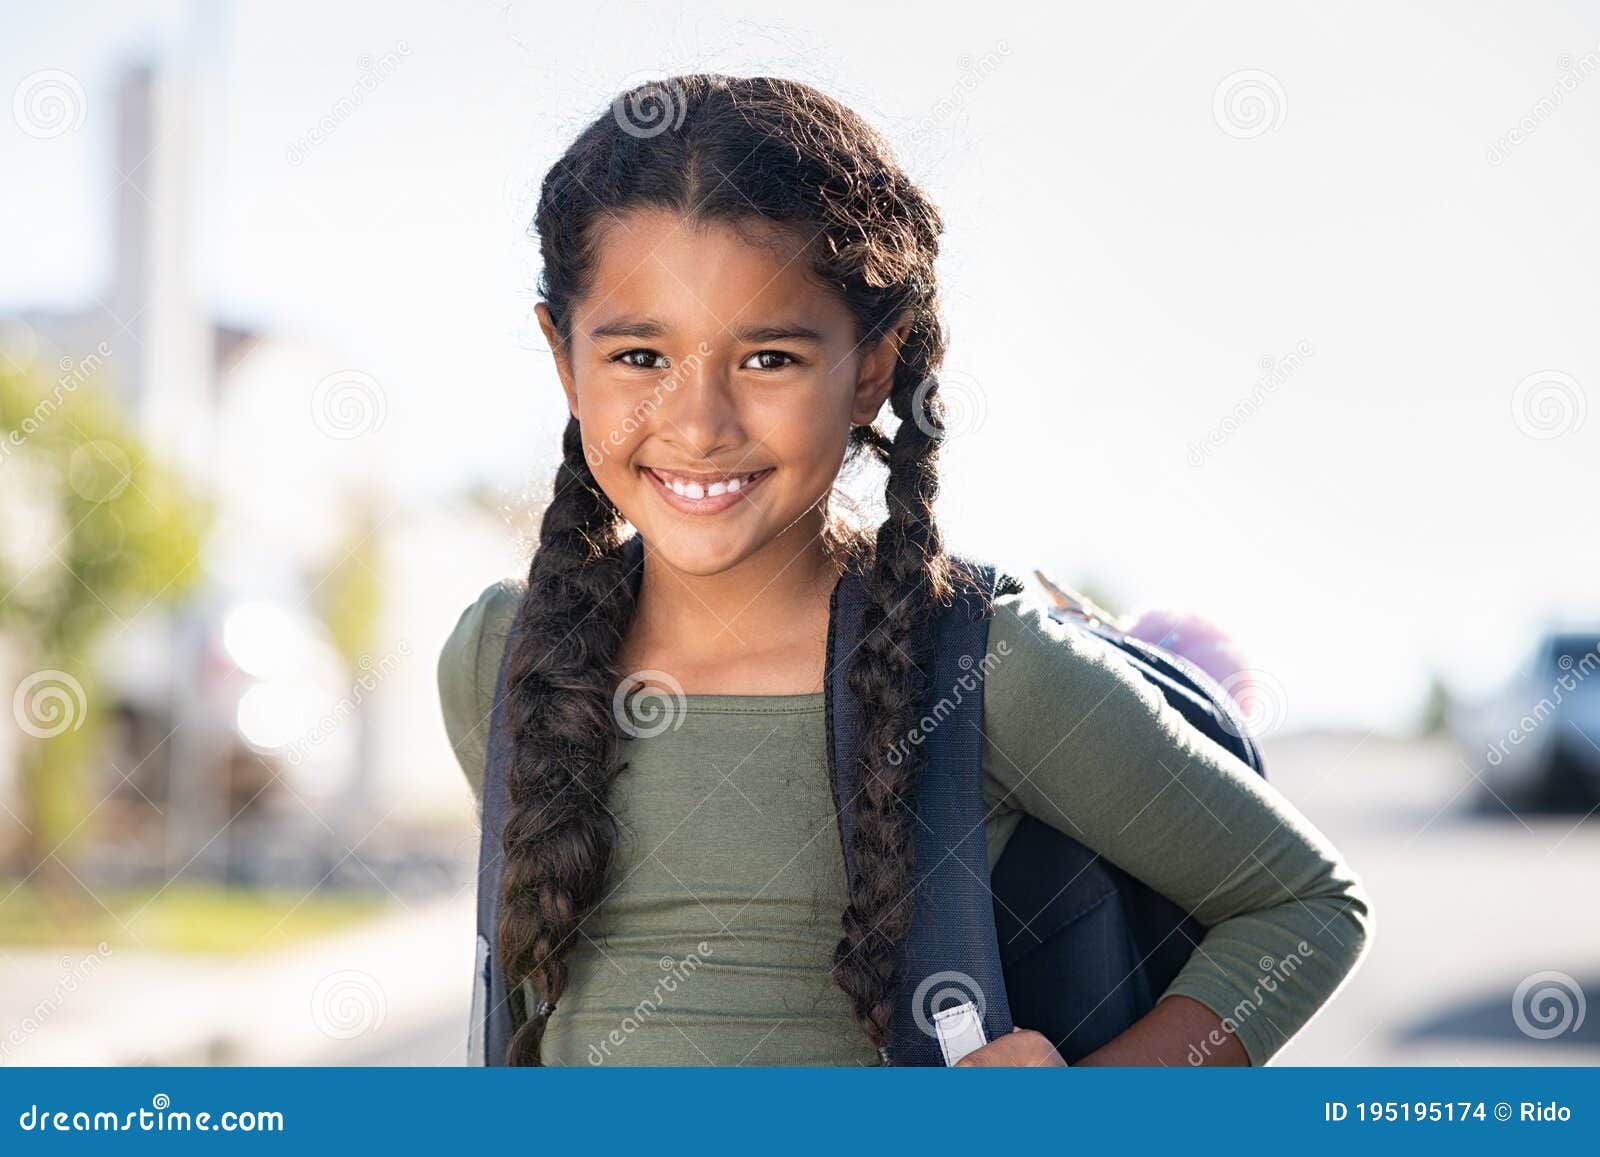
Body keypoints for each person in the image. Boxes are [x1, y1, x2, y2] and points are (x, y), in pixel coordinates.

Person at [437, 74, 1372, 1068]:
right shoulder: (504, 656)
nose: (698, 422)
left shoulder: (982, 665)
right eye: (637, 356)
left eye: (767, 359)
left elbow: (1303, 906)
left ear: (873, 367)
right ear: (562, 355)